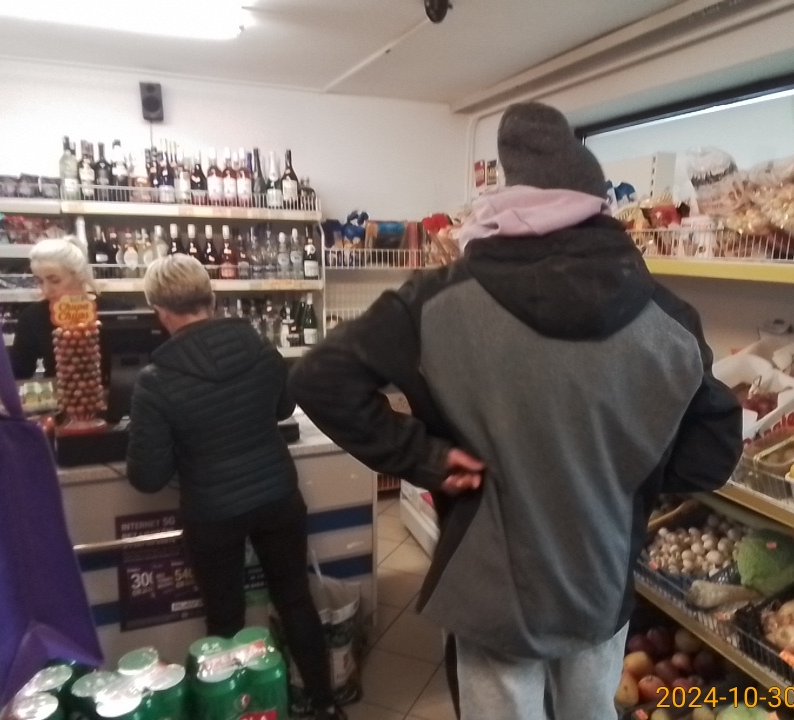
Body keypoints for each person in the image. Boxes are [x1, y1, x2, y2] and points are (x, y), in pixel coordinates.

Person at [289, 102, 743, 720]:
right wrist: (629, 470)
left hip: (490, 582)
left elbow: (318, 378)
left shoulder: (436, 302)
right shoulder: (669, 321)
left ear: (504, 205)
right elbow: (713, 453)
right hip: (601, 573)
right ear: (595, 208)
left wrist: (424, 457)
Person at [125, 255, 345, 720]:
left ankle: (232, 708)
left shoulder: (155, 381)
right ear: (211, 298)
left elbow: (148, 477)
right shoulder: (262, 349)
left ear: (159, 311)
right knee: (294, 599)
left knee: (225, 617)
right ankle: (324, 704)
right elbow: (283, 409)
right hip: (278, 495)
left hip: (212, 512)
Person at [9, 236, 118, 379]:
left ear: (79, 275)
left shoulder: (116, 312)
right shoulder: (32, 317)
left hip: (114, 391)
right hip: (59, 391)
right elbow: (18, 374)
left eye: (55, 281)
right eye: (39, 281)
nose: (46, 290)